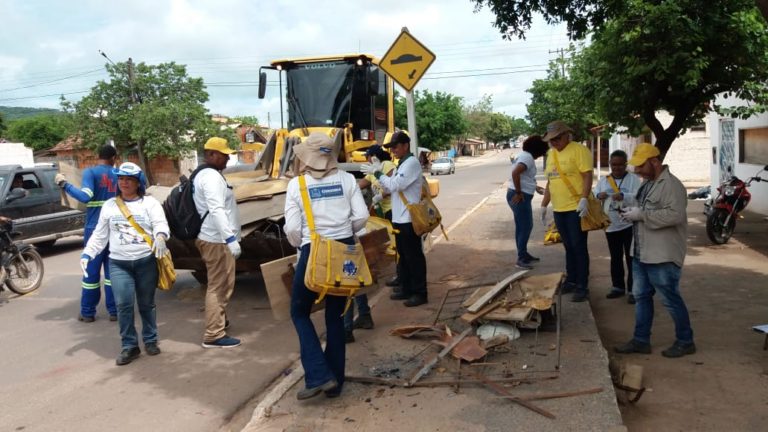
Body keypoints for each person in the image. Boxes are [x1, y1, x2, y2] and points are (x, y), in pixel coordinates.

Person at [284, 132, 368, 400]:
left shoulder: (297, 185)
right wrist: (343, 232)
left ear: (307, 158)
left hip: (313, 252)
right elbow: (362, 217)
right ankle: (336, 382)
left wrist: (306, 244)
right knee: (335, 316)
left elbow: (293, 230)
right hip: (344, 252)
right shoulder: (347, 180)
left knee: (299, 312)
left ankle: (319, 375)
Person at [81, 162, 170, 365]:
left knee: (147, 304)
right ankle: (129, 346)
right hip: (119, 264)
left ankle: (150, 340)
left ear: (138, 182)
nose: (124, 183)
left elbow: (160, 223)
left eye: (129, 179)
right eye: (121, 179)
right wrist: (88, 253)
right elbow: (100, 235)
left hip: (145, 262)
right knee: (123, 305)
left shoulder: (150, 204)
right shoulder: (109, 206)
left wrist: (161, 236)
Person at [614, 143, 695, 358]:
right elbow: (646, 207)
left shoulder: (672, 185)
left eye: (641, 166)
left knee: (669, 298)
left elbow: (675, 215)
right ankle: (641, 340)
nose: (637, 171)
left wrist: (642, 216)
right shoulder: (649, 183)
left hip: (662, 254)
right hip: (642, 251)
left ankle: (686, 340)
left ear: (655, 162)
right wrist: (631, 210)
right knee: (641, 296)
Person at [362, 131, 428, 307]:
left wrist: (377, 173)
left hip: (408, 218)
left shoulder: (411, 164)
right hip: (400, 218)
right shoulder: (401, 164)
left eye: (395, 147)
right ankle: (407, 288)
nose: (393, 151)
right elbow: (390, 187)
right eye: (391, 148)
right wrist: (379, 179)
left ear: (405, 146)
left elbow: (395, 184)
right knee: (404, 257)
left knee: (414, 257)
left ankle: (420, 292)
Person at [56, 145, 119, 323]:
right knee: (112, 273)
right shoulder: (120, 175)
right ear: (113, 157)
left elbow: (85, 196)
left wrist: (64, 184)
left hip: (94, 229)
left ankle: (88, 312)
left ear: (98, 156)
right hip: (115, 229)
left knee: (91, 274)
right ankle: (114, 311)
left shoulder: (90, 173)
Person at [343, 144, 396, 343]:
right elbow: (361, 184)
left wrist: (379, 195)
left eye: (368, 157)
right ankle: (364, 315)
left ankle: (346, 329)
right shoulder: (353, 181)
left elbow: (391, 187)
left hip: (362, 227)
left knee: (346, 281)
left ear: (374, 156)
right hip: (361, 228)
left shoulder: (387, 165)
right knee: (356, 275)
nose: (366, 160)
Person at [194, 137, 242, 349]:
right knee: (219, 286)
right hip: (217, 240)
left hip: (213, 238)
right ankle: (213, 334)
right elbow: (216, 209)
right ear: (211, 154)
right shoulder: (211, 178)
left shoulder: (207, 175)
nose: (228, 157)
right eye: (224, 154)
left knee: (220, 285)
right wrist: (230, 238)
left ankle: (219, 321)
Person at [539, 120, 594, 302]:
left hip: (575, 208)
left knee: (578, 246)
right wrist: (544, 205)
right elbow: (550, 182)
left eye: (557, 139)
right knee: (568, 246)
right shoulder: (551, 154)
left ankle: (582, 286)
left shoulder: (579, 151)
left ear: (567, 135)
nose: (554, 143)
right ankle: (571, 280)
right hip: (559, 209)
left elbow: (587, 176)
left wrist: (585, 198)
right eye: (551, 140)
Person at [594, 150, 642, 303]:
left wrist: (624, 196)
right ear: (610, 164)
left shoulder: (634, 179)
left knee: (631, 257)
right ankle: (617, 287)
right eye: (614, 165)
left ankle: (634, 290)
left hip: (629, 224)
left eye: (620, 164)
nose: (617, 168)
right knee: (615, 257)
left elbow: (638, 197)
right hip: (611, 224)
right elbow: (595, 193)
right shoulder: (604, 180)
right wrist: (598, 196)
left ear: (625, 164)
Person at [507, 135, 549, 270]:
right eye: (542, 151)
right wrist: (519, 192)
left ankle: (523, 254)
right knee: (526, 226)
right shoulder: (528, 158)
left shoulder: (524, 155)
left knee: (521, 226)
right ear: (537, 149)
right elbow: (515, 173)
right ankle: (520, 258)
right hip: (519, 196)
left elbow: (525, 177)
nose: (542, 155)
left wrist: (534, 187)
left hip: (518, 194)